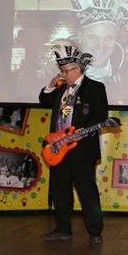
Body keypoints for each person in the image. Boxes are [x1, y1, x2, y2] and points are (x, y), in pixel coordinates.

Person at [39, 40, 109, 244]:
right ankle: (63, 228)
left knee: (87, 191)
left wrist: (82, 132)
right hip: (58, 148)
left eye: (67, 71)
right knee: (60, 190)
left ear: (78, 68)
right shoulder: (60, 88)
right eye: (62, 71)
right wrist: (51, 86)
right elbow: (44, 101)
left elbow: (101, 116)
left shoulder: (95, 88)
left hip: (82, 150)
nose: (64, 74)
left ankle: (95, 232)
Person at [63, 0, 122, 84]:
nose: (101, 46)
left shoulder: (127, 74)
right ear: (80, 36)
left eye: (108, 38)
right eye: (93, 37)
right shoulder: (62, 75)